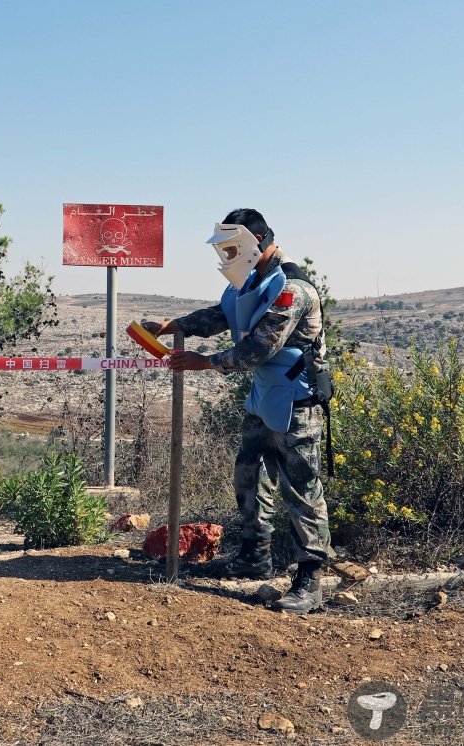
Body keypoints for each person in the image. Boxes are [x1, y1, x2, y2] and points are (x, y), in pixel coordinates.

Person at [142, 208, 333, 614]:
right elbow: (220, 316)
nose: (227, 256)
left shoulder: (293, 290)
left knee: (301, 490)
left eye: (232, 248)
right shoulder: (249, 284)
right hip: (265, 398)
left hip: (295, 403)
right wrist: (173, 324)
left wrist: (204, 362)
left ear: (255, 243)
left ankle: (310, 581)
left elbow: (260, 347)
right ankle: (254, 555)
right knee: (248, 477)